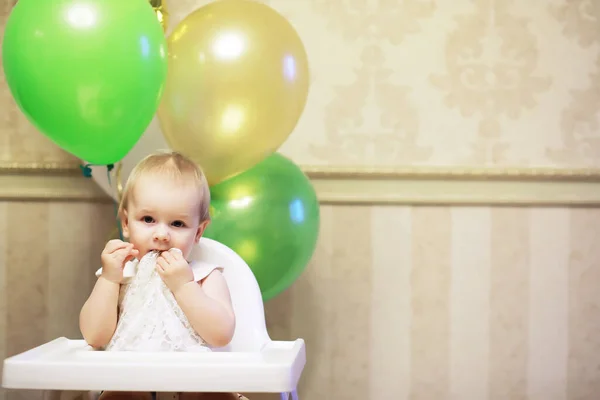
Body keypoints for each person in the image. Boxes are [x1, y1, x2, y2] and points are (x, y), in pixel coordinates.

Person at [79, 151, 244, 400]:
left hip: (196, 379)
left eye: (177, 224)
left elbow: (221, 335)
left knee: (211, 394)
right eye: (148, 219)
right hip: (129, 377)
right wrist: (109, 279)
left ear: (198, 232)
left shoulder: (203, 276)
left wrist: (184, 285)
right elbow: (94, 336)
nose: (161, 235)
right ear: (126, 223)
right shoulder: (120, 275)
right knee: (121, 394)